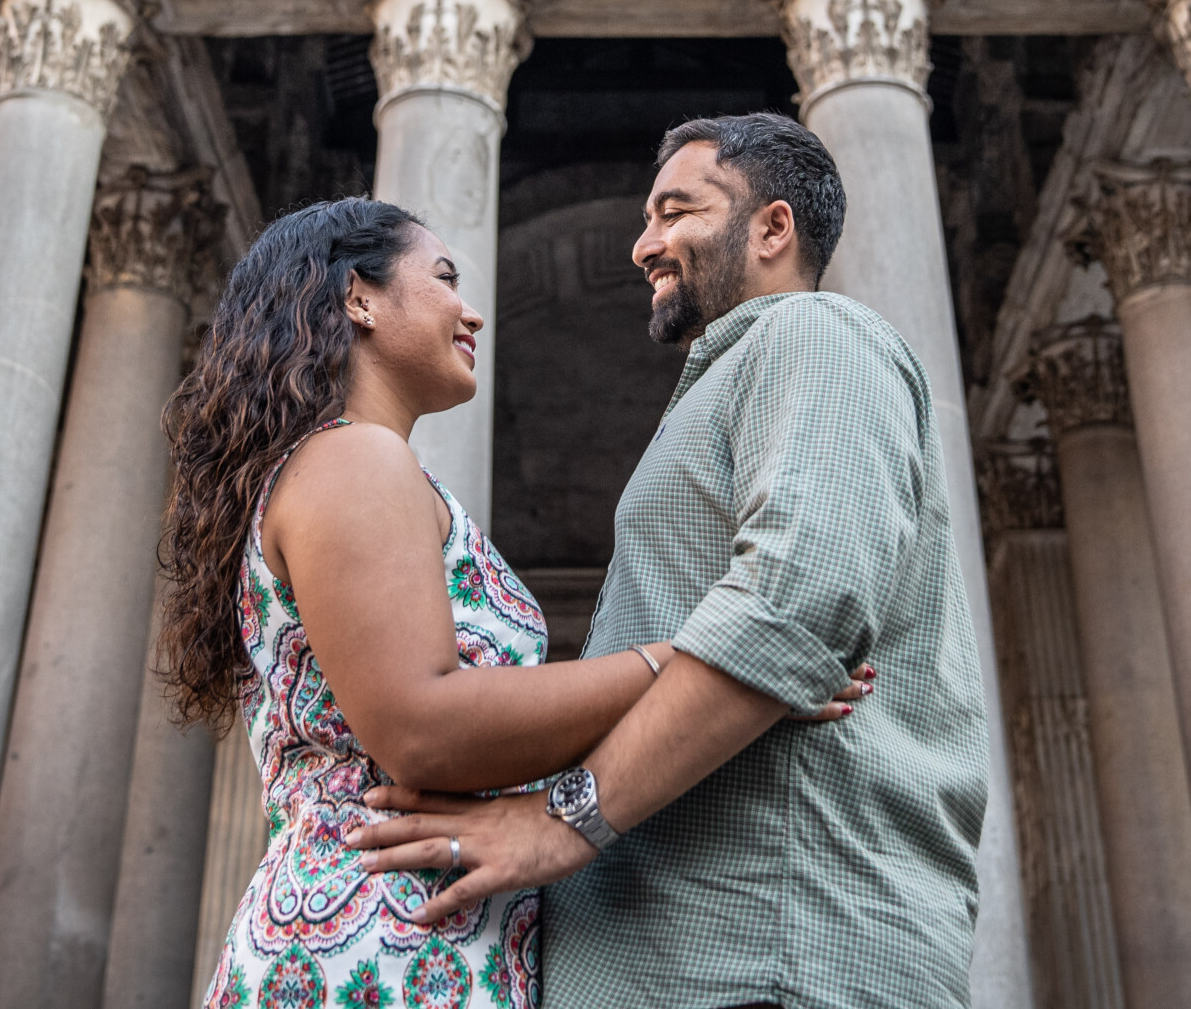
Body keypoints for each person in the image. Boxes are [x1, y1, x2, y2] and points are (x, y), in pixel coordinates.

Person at [157, 195, 868, 1009]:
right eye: (446, 278)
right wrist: (700, 661)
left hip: (397, 926)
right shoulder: (356, 458)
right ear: (358, 296)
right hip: (378, 940)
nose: (473, 311)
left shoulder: (343, 466)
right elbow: (424, 725)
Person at [351, 111, 988, 1009]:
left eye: (676, 211)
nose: (644, 243)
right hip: (701, 955)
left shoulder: (817, 337)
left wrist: (559, 821)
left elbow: (792, 607)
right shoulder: (743, 375)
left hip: (766, 950)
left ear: (774, 227)